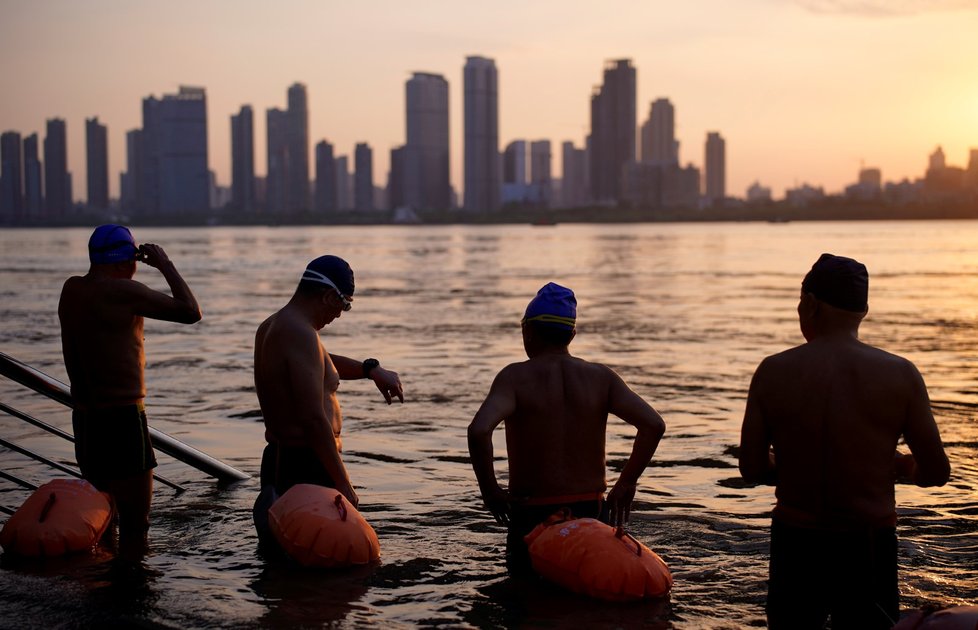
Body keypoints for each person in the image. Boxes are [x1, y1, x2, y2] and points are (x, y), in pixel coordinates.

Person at [739, 253, 951, 629]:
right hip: (868, 545)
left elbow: (753, 468)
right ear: (863, 310)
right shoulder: (900, 374)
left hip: (796, 544)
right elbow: (935, 472)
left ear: (810, 303)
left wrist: (795, 464)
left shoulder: (773, 371)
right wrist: (898, 465)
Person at [467, 282, 666, 574]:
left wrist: (490, 491)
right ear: (572, 334)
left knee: (522, 597)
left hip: (532, 514)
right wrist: (626, 482)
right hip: (592, 511)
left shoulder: (514, 378)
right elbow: (653, 425)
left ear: (528, 331)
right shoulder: (601, 377)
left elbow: (479, 431)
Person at [59, 224, 202, 557]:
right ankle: (133, 597)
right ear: (128, 258)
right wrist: (165, 264)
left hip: (85, 419)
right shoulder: (124, 292)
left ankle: (102, 589)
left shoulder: (72, 289)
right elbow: (190, 312)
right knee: (137, 525)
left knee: (101, 516)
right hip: (123, 418)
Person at [253, 255, 403, 516]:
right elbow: (313, 419)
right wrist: (343, 482)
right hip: (305, 465)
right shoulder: (300, 332)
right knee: (331, 554)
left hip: (287, 462)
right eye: (344, 305)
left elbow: (321, 363)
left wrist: (371, 370)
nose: (339, 315)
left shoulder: (274, 326)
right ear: (328, 296)